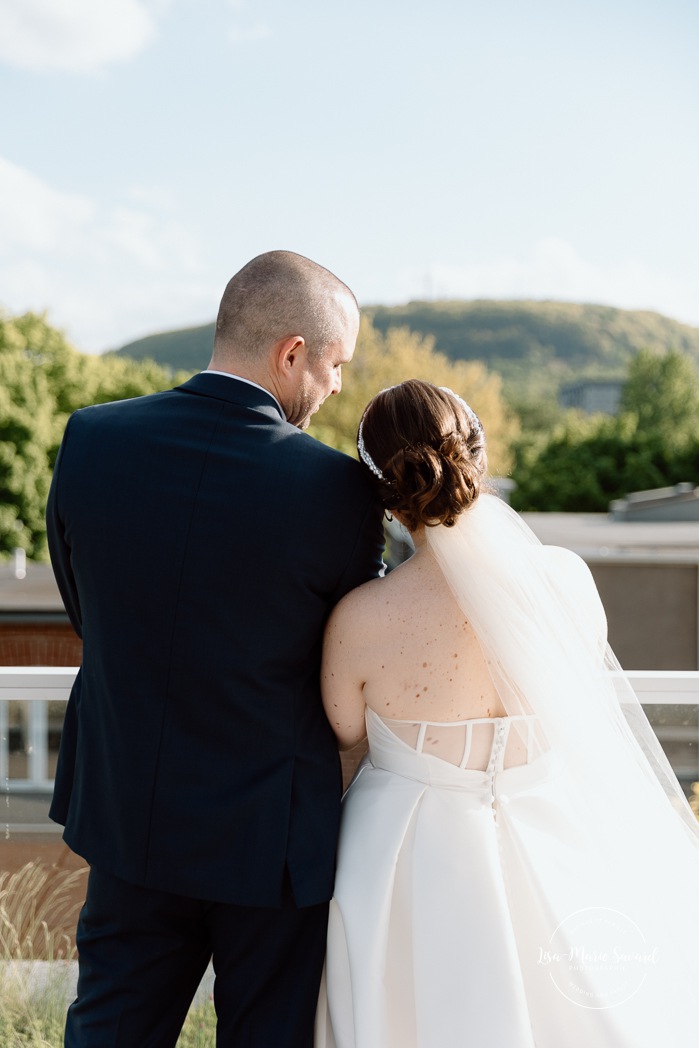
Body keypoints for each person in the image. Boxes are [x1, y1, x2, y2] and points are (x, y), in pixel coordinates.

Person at [47, 250, 385, 1048]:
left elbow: (87, 611)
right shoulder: (337, 489)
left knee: (111, 1030)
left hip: (129, 812)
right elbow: (347, 659)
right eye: (336, 364)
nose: (337, 387)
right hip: (270, 839)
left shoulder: (91, 439)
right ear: (292, 352)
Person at [315, 379, 699, 1048]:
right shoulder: (566, 582)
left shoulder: (358, 619)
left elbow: (345, 741)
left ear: (379, 491)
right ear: (478, 459)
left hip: (405, 859)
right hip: (553, 830)